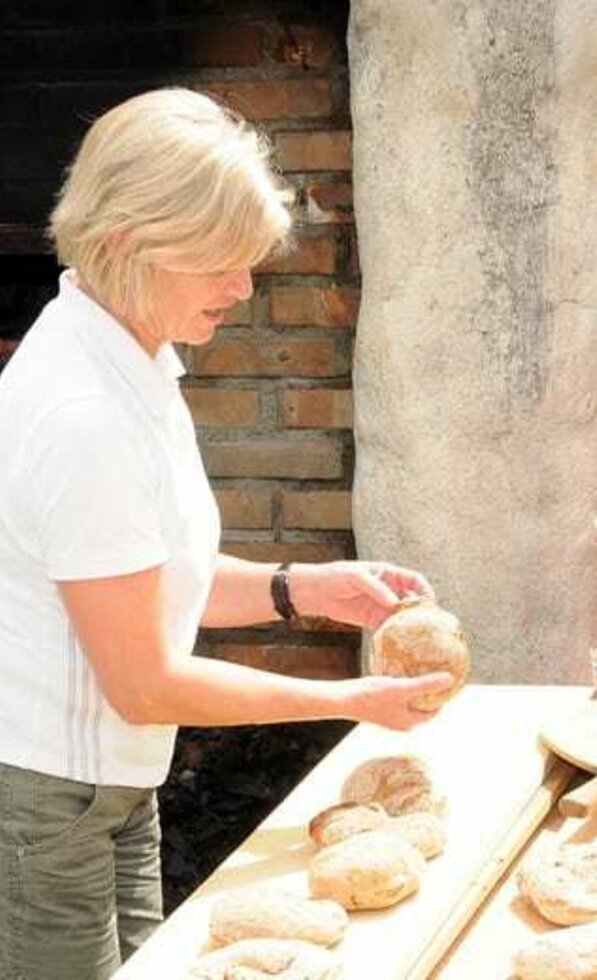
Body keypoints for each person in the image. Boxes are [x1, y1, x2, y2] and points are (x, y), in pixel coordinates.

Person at [0, 88, 454, 980]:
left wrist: (302, 588)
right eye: (220, 263)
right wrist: (348, 707)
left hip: (108, 783)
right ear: (136, 244)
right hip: (47, 800)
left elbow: (153, 578)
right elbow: (144, 681)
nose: (243, 288)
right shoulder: (82, 413)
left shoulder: (129, 357)